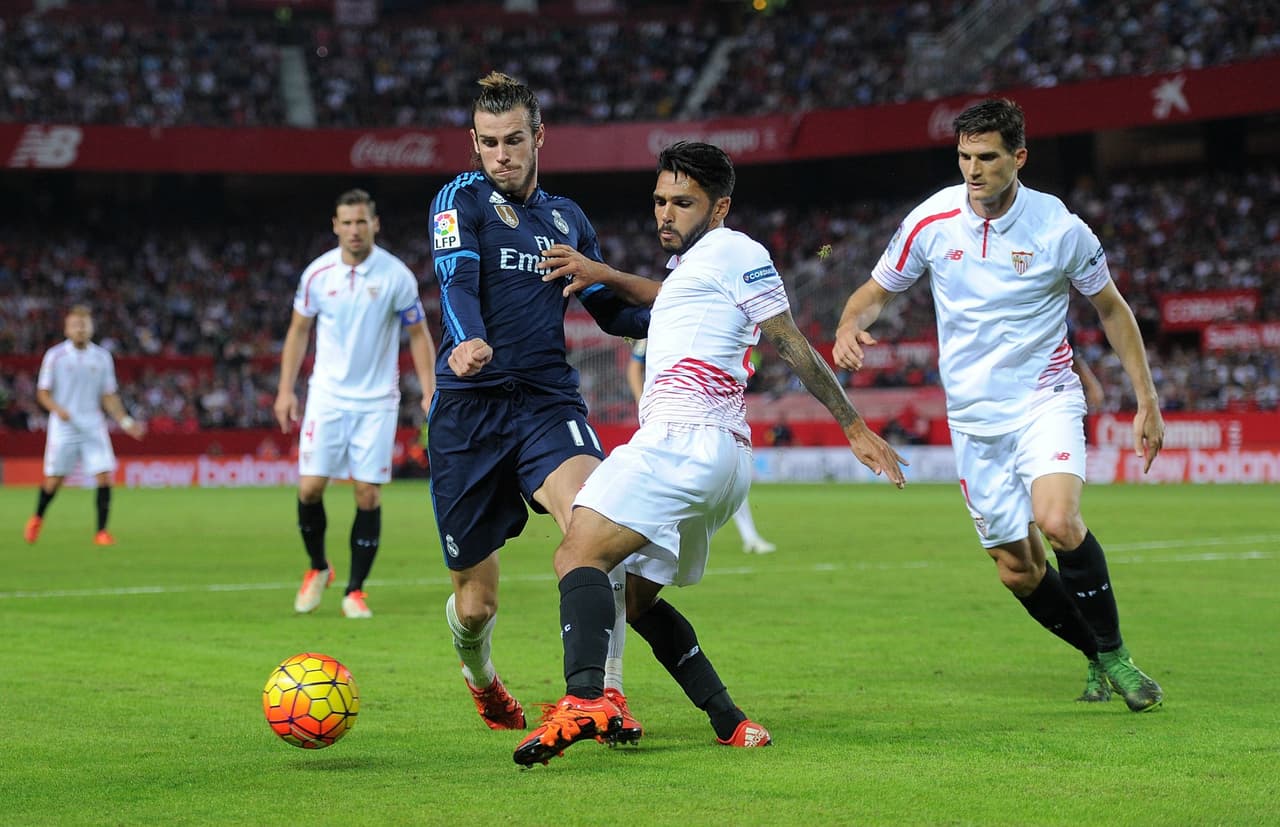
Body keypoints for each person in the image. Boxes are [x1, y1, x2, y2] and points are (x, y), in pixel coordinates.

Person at [513, 141, 907, 767]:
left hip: (684, 440)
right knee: (636, 599)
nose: (665, 214)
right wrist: (607, 274)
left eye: (683, 203)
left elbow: (790, 341)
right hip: (718, 460)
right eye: (660, 201)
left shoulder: (738, 251)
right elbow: (669, 299)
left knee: (576, 552)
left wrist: (853, 425)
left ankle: (587, 699)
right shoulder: (695, 266)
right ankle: (729, 720)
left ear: (720, 206)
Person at [832, 98, 1165, 712]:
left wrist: (1147, 400)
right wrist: (850, 324)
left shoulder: (1060, 229)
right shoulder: (932, 221)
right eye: (964, 157)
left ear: (1019, 158)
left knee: (1059, 521)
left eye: (987, 157)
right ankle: (1094, 654)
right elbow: (874, 292)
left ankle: (1118, 656)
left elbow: (1112, 310)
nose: (973, 170)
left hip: (1044, 399)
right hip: (974, 421)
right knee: (1018, 569)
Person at [427, 72, 657, 735]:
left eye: (514, 140)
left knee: (599, 529)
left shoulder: (566, 218)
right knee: (474, 604)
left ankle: (605, 695)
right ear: (474, 141)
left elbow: (611, 312)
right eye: (490, 142)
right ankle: (481, 676)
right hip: (469, 413)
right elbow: (455, 279)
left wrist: (681, 318)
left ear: (539, 138)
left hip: (545, 404)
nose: (501, 153)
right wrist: (468, 339)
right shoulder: (459, 201)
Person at [274, 189, 436, 620]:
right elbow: (297, 332)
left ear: (374, 224)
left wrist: (429, 388)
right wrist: (286, 389)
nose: (354, 230)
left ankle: (356, 590)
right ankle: (317, 567)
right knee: (309, 489)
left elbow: (418, 334)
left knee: (367, 494)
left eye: (361, 222)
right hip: (326, 396)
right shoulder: (317, 275)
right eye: (346, 222)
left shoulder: (396, 275)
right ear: (335, 226)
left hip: (377, 400)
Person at [627, 337, 776, 554]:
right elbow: (634, 367)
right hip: (668, 414)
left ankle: (749, 537)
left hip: (698, 412)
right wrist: (643, 403)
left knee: (723, 474)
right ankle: (644, 538)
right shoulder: (656, 324)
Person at [24, 305, 145, 546]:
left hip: (93, 425)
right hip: (64, 426)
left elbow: (109, 395)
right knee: (54, 480)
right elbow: (43, 393)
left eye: (84, 324)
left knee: (104, 476)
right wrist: (59, 411)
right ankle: (37, 518)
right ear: (67, 329)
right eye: (75, 325)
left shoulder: (102, 357)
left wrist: (125, 421)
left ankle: (101, 532)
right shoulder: (55, 356)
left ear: (91, 328)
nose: (80, 329)